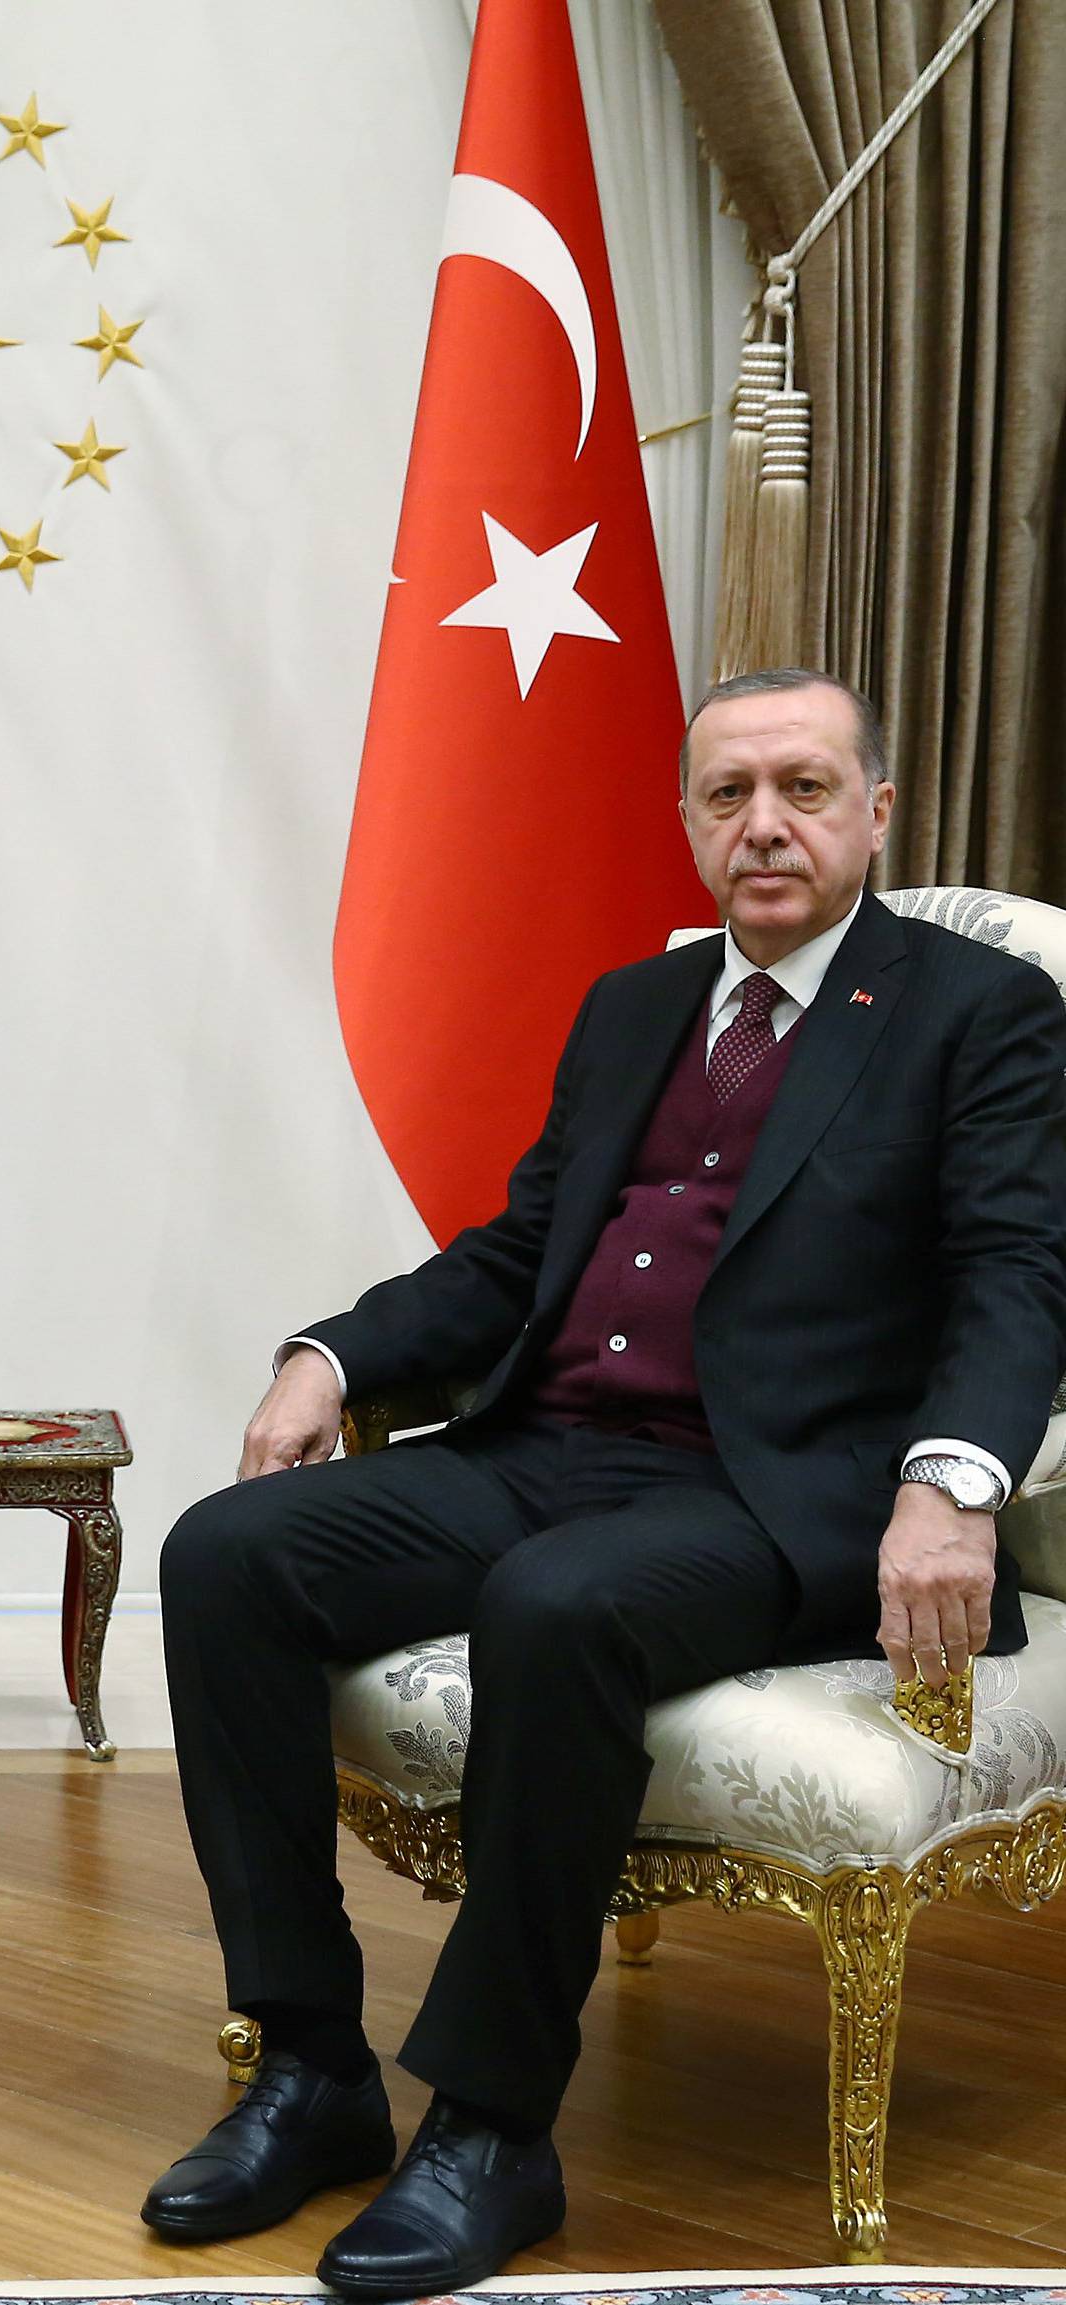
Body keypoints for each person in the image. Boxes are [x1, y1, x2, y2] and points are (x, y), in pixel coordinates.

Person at [146, 668, 1066, 2299]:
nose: (764, 824)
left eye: (801, 787)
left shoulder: (977, 1014)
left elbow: (1018, 1270)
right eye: (728, 793)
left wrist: (958, 1477)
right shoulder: (636, 1004)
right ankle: (312, 2065)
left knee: (555, 1605)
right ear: (693, 820)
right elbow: (518, 1253)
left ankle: (494, 2128)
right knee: (230, 1554)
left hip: (776, 1490)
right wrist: (332, 1357)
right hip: (545, 1448)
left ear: (877, 813)